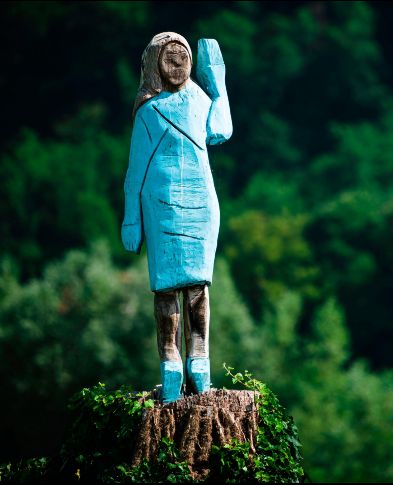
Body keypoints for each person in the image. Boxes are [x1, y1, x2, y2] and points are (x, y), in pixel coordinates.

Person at [121, 32, 232, 403]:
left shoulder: (201, 100)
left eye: (182, 55)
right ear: (155, 62)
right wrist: (131, 219)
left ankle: (199, 355)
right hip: (161, 204)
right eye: (169, 56)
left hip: (201, 202)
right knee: (167, 287)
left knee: (198, 287)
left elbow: (221, 129)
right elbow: (135, 172)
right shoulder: (148, 113)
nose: (177, 62)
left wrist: (218, 84)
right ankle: (170, 357)